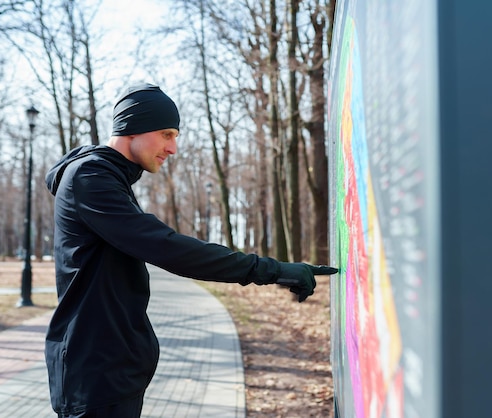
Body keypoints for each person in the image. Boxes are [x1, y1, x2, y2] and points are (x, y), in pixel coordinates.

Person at [44, 83, 338, 418]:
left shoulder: (108, 178)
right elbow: (166, 247)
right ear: (132, 129)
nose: (173, 148)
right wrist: (271, 270)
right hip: (94, 372)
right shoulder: (89, 177)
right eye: (167, 134)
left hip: (111, 366)